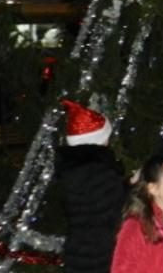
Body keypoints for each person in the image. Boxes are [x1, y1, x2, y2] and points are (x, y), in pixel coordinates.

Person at [57, 99, 128, 273]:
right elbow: (116, 207)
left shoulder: (69, 171)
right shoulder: (103, 170)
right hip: (102, 253)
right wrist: (131, 187)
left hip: (76, 248)